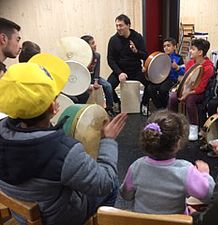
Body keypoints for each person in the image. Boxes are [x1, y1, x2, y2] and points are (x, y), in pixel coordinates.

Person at [0, 53, 127, 225]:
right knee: (111, 185)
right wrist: (109, 141)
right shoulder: (63, 152)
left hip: (20, 213)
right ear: (53, 107)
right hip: (59, 218)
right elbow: (104, 182)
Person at [119, 110, 215, 214]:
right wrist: (205, 174)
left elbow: (126, 195)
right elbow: (209, 195)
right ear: (178, 143)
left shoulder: (137, 166)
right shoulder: (186, 170)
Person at [168, 38, 214, 141]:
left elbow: (201, 88)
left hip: (201, 93)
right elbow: (186, 80)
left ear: (200, 52)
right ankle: (172, 123)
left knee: (190, 99)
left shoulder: (208, 67)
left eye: (193, 49)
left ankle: (193, 127)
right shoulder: (190, 63)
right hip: (188, 90)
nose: (190, 51)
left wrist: (187, 94)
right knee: (173, 97)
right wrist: (179, 88)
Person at [107, 14, 149, 115]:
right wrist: (119, 72)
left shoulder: (137, 37)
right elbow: (110, 59)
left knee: (150, 85)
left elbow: (145, 56)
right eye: (116, 26)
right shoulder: (113, 40)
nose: (118, 28)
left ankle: (144, 104)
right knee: (108, 86)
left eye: (121, 25)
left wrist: (136, 51)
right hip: (120, 70)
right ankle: (117, 102)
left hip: (135, 70)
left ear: (128, 25)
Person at [81, 35, 115, 117]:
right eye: (92, 43)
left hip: (93, 77)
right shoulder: (81, 58)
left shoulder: (97, 56)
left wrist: (96, 81)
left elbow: (97, 70)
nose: (95, 45)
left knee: (108, 86)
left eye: (94, 43)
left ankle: (109, 108)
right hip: (84, 79)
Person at [147, 38, 185, 109]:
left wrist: (177, 67)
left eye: (168, 46)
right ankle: (160, 108)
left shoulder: (178, 58)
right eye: (164, 46)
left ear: (174, 47)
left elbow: (183, 71)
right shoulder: (160, 57)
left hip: (172, 80)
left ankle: (166, 108)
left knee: (163, 89)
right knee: (150, 88)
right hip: (161, 79)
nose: (166, 48)